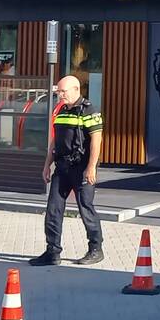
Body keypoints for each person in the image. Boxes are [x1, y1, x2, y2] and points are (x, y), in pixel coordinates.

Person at [29, 75, 105, 266]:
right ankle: (52, 252)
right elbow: (55, 141)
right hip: (62, 167)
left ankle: (96, 249)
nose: (60, 95)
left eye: (63, 91)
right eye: (58, 92)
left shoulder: (89, 110)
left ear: (76, 90)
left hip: (82, 168)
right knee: (53, 209)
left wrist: (91, 168)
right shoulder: (61, 110)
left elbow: (96, 141)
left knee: (86, 208)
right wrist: (47, 164)